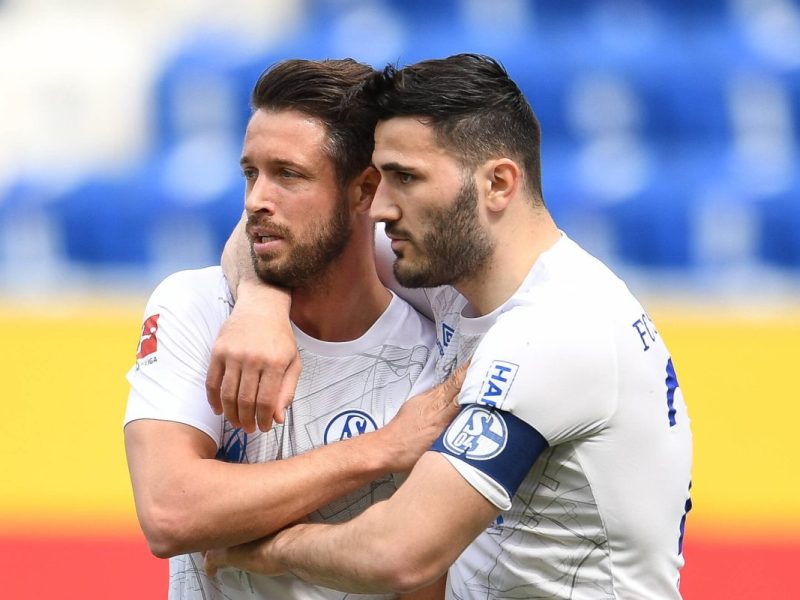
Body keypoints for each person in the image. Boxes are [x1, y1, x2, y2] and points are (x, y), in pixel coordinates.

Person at [204, 54, 694, 599]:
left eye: (407, 178)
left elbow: (398, 552)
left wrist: (263, 551)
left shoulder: (553, 332)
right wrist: (260, 305)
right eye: (381, 177)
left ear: (498, 184)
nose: (380, 208)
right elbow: (280, 232)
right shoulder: (461, 278)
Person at [124, 57, 463, 600]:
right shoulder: (197, 304)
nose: (256, 199)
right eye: (250, 172)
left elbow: (424, 579)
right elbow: (169, 511)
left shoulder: (438, 355)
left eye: (288, 174)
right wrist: (380, 450)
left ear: (365, 191)